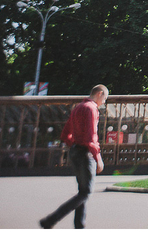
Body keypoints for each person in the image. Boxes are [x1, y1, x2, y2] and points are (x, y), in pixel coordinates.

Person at [40, 84, 109, 229]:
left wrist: (75, 145)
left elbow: (65, 134)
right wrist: (98, 158)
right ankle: (51, 220)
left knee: (82, 191)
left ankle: (79, 226)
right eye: (104, 99)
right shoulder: (91, 108)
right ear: (99, 93)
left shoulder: (78, 107)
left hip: (75, 152)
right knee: (86, 193)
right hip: (85, 154)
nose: (103, 103)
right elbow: (91, 137)